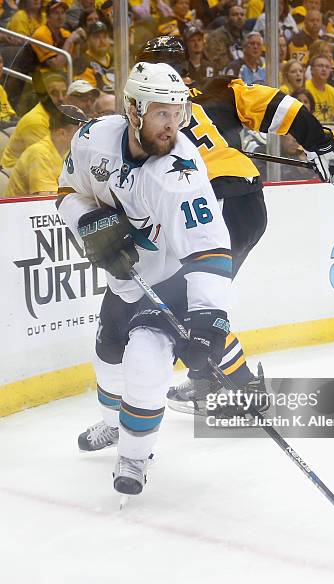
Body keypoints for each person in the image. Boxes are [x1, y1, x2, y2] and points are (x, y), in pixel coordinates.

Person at [135, 37, 334, 415]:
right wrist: (319, 143)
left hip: (212, 207)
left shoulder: (145, 115)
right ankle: (206, 380)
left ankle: (242, 389)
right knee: (200, 298)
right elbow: (281, 105)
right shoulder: (219, 92)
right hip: (249, 203)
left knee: (185, 305)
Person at [57, 63, 233, 497]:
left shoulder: (182, 172)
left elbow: (209, 247)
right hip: (125, 282)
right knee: (107, 357)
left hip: (171, 282)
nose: (172, 124)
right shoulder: (92, 139)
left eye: (178, 112)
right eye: (161, 113)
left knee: (145, 363)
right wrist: (89, 221)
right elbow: (65, 193)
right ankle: (112, 424)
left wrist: (208, 321)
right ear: (133, 110)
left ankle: (134, 458)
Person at [5, 105, 82, 196]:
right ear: (62, 133)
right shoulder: (39, 154)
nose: (84, 134)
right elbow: (47, 198)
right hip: (20, 209)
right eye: (79, 131)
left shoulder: (66, 151)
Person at [0, 72, 67, 168]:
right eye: (54, 93)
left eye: (64, 93)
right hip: (14, 174)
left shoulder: (60, 116)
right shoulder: (36, 122)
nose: (61, 98)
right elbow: (49, 161)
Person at [32, 0, 85, 72]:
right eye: (56, 13)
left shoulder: (65, 33)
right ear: (47, 17)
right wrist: (69, 41)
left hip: (56, 76)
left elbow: (73, 62)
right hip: (33, 76)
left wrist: (78, 42)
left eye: (63, 13)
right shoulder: (41, 34)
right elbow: (57, 66)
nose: (60, 17)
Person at [204, 1, 245, 74]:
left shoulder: (245, 37)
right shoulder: (216, 36)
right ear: (226, 18)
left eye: (242, 15)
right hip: (224, 75)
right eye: (235, 14)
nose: (239, 17)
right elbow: (220, 64)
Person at [73, 21, 114, 92]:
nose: (102, 41)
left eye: (104, 36)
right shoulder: (82, 63)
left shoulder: (116, 59)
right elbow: (90, 96)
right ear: (88, 41)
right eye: (96, 37)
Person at [305, 54, 334, 124]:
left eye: (327, 67)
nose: (324, 69)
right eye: (320, 66)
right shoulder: (304, 89)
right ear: (311, 70)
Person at [183, 22, 215, 87]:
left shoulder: (211, 66)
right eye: (192, 40)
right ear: (186, 43)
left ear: (203, 42)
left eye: (199, 40)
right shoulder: (181, 67)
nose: (196, 43)